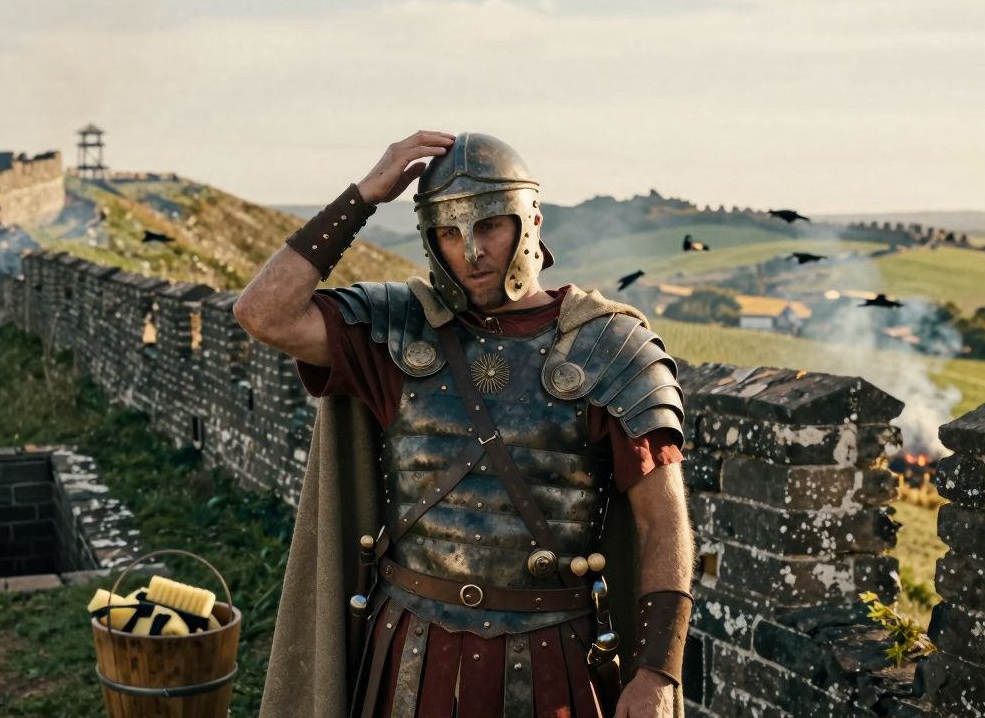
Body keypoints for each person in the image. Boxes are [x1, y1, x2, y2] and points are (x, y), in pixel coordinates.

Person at [236, 131, 693, 718]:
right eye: (449, 233)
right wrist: (365, 196)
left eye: (489, 227)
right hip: (409, 652)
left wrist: (657, 671)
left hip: (552, 654)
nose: (471, 252)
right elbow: (262, 313)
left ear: (530, 222)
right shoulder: (399, 331)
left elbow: (663, 523)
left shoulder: (609, 347)